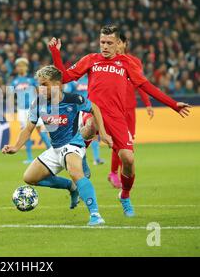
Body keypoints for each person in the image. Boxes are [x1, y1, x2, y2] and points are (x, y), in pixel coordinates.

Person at [48, 25, 191, 217]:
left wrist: (173, 104)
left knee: (128, 159)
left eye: (109, 43)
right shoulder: (91, 60)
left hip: (117, 117)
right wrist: (56, 53)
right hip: (94, 112)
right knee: (90, 126)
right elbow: (64, 77)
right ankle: (78, 156)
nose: (105, 46)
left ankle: (124, 195)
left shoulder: (126, 63)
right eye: (102, 42)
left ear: (118, 44)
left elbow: (146, 86)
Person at [2, 65, 113, 226]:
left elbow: (94, 108)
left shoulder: (74, 100)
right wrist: (15, 147)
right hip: (55, 149)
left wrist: (102, 133)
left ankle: (95, 215)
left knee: (76, 172)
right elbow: (28, 128)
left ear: (57, 85)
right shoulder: (37, 104)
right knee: (29, 178)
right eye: (39, 84)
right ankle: (71, 187)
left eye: (44, 84)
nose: (40, 88)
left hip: (73, 144)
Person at [108, 34, 155, 188]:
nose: (117, 45)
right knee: (117, 142)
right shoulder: (108, 61)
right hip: (115, 108)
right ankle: (113, 173)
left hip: (129, 108)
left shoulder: (134, 62)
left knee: (127, 143)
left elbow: (140, 83)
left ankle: (123, 174)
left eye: (119, 42)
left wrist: (147, 103)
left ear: (124, 44)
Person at [10, 57, 51, 164]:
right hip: (21, 110)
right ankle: (29, 157)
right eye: (18, 66)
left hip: (33, 108)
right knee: (25, 132)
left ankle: (51, 151)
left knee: (40, 130)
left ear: (26, 67)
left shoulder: (32, 80)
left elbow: (40, 92)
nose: (20, 68)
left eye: (22, 65)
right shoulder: (14, 81)